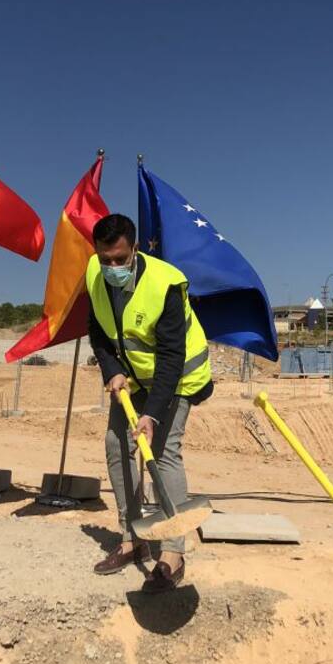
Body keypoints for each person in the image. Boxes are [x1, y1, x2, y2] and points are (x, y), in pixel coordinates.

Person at [85, 213, 213, 593]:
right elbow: (97, 331)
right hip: (133, 375)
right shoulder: (94, 274)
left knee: (162, 449)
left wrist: (153, 414)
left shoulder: (166, 283)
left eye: (120, 260)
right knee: (117, 443)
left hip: (178, 377)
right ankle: (132, 536)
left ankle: (173, 551)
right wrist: (111, 370)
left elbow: (173, 356)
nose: (112, 267)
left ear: (135, 250)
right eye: (105, 259)